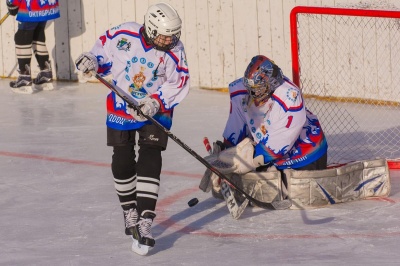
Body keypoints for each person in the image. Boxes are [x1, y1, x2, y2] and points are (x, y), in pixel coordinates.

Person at [75, 2, 189, 255]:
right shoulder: (123, 34)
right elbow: (101, 53)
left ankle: (146, 219)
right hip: (121, 103)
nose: (168, 39)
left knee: (151, 153)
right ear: (149, 28)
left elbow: (179, 81)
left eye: (173, 34)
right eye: (163, 34)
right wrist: (91, 59)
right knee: (122, 155)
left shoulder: (174, 49)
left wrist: (155, 102)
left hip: (156, 107)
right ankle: (130, 211)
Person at [205, 55, 328, 199]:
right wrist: (223, 160)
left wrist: (248, 160)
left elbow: (276, 147)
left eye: (258, 89)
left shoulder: (289, 96)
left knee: (285, 190)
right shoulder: (240, 90)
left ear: (272, 83)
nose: (252, 94)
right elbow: (236, 128)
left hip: (306, 154)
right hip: (269, 149)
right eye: (251, 88)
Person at [6, 0, 60, 94]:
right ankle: (45, 74)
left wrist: (12, 2)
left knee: (22, 36)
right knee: (37, 33)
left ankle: (24, 78)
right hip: (46, 5)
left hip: (31, 5)